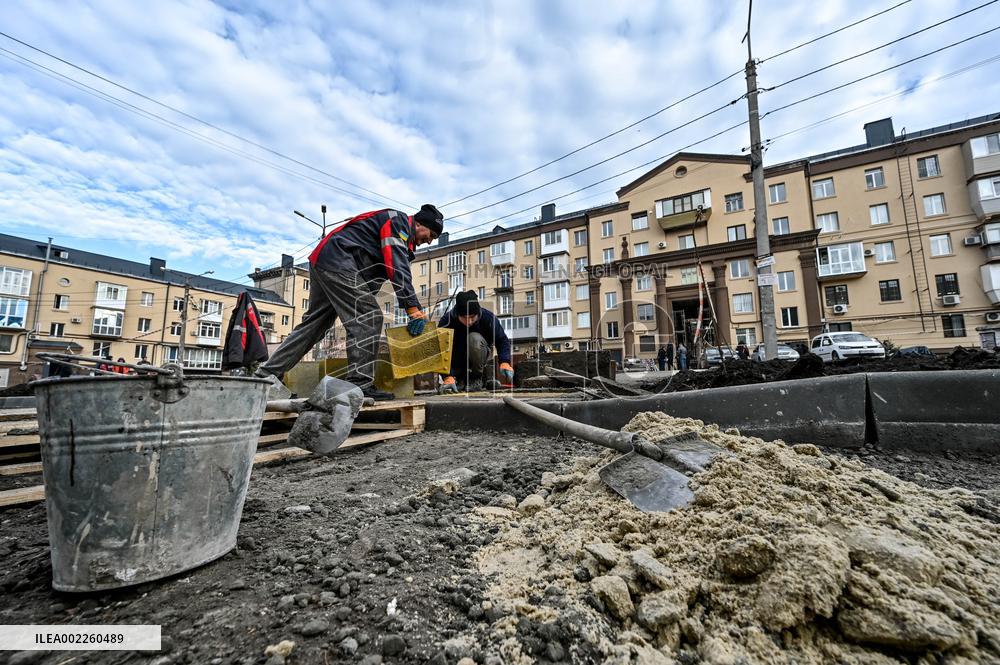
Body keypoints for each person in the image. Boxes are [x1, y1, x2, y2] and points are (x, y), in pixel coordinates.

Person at [256, 204, 443, 400]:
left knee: (315, 325)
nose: (430, 241)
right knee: (369, 318)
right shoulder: (398, 222)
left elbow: (374, 276)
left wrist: (364, 302)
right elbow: (396, 266)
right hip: (338, 260)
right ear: (419, 223)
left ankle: (266, 375)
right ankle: (359, 384)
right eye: (431, 234)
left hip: (328, 260)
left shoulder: (401, 237)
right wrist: (412, 308)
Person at [437, 290, 512, 393]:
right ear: (458, 315)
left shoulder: (488, 318)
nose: (469, 322)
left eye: (472, 317)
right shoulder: (446, 321)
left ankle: (476, 378)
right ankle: (459, 379)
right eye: (464, 318)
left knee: (474, 338)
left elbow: (502, 340)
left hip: (479, 355)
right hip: (457, 359)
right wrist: (447, 376)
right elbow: (439, 350)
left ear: (477, 313)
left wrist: (505, 362)